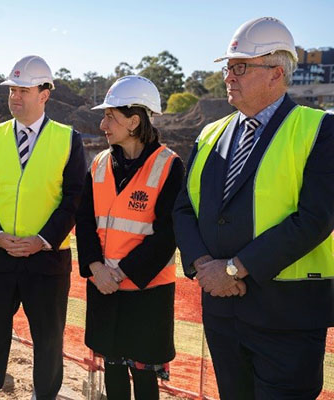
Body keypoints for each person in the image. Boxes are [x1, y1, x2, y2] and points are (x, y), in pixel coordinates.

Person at [173, 17, 334, 399]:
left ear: (277, 73)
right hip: (222, 313)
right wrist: (201, 266)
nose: (229, 76)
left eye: (240, 66)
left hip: (287, 318)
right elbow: (183, 209)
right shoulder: (210, 133)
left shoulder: (320, 130)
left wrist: (234, 268)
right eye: (228, 67)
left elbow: (316, 219)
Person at [0, 55, 86, 400]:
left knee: (48, 342)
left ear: (44, 94)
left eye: (23, 90)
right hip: (0, 259)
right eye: (12, 90)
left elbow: (74, 198)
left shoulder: (68, 139)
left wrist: (43, 240)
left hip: (46, 261)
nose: (15, 97)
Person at [76, 76, 184, 399]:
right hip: (104, 288)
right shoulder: (98, 164)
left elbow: (168, 233)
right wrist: (97, 269)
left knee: (145, 378)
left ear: (135, 121)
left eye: (111, 116)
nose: (103, 123)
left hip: (146, 293)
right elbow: (84, 222)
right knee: (113, 373)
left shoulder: (169, 165)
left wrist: (120, 273)